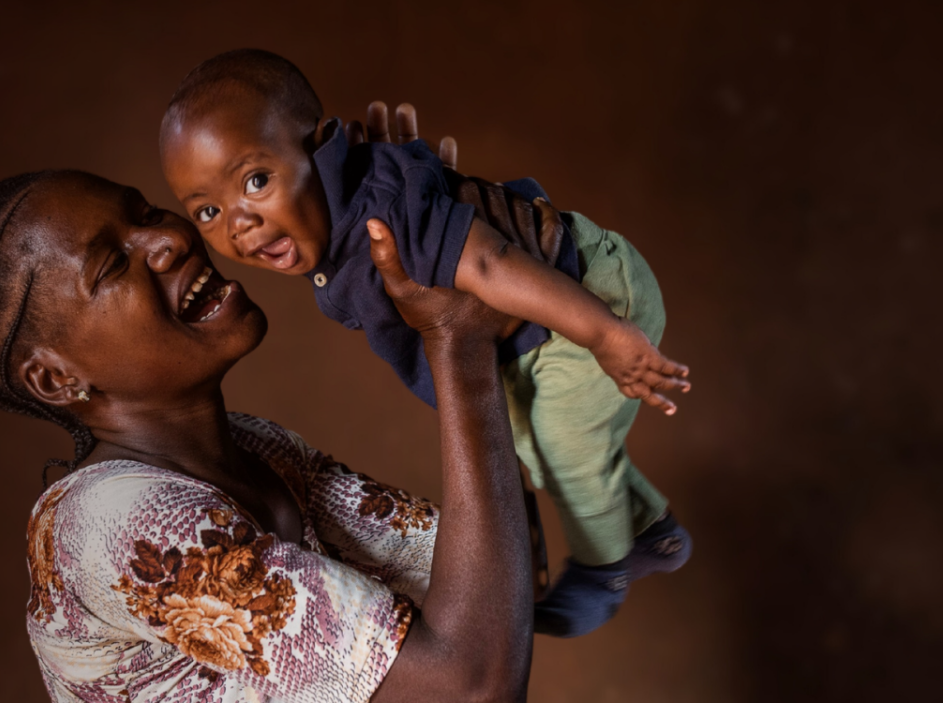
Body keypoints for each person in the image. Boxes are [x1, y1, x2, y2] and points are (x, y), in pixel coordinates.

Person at [0, 158, 533, 700]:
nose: (168, 240)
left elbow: (504, 587)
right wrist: (455, 337)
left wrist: (424, 231)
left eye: (147, 212)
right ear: (56, 380)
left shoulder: (254, 448)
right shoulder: (116, 523)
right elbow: (470, 685)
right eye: (113, 264)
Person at [156, 49, 693, 636]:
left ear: (320, 148)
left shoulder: (381, 211)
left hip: (584, 295)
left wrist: (607, 334)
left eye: (256, 181)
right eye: (208, 210)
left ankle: (604, 569)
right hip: (533, 339)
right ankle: (649, 532)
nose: (239, 222)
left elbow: (489, 263)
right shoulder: (337, 231)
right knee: (542, 449)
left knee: (568, 445)